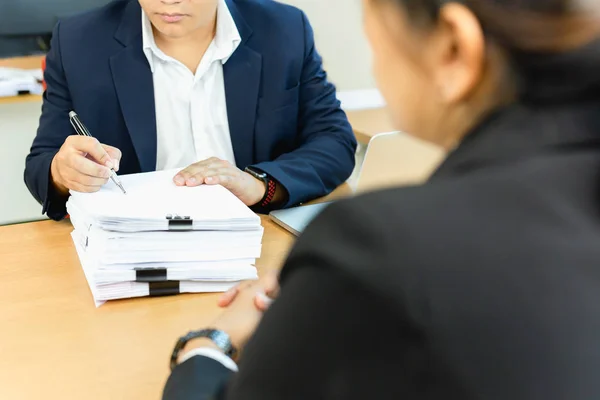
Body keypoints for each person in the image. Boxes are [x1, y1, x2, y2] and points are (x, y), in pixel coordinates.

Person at [163, 0, 600, 399]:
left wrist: (207, 343)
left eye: (376, 45)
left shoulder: (374, 243)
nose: (376, 71)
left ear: (453, 47)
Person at [24, 0, 357, 221]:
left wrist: (258, 185)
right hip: (135, 246)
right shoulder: (78, 41)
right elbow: (41, 165)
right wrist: (60, 171)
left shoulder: (283, 29)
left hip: (253, 237)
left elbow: (334, 141)